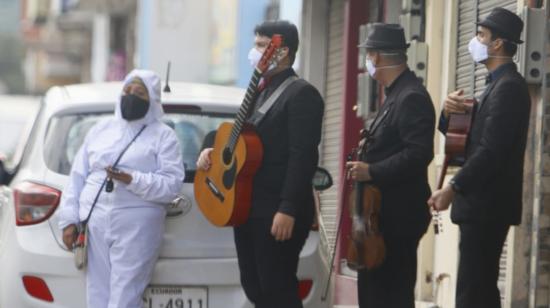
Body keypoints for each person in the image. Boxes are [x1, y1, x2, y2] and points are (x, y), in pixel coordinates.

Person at [197, 20, 324, 308]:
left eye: (262, 45)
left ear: (282, 52)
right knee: (254, 286)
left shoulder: (301, 94)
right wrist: (209, 148)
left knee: (277, 286)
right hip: (247, 205)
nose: (255, 51)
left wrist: (288, 208)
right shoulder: (259, 88)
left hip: (277, 209)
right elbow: (236, 131)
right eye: (255, 44)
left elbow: (303, 155)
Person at [428, 7, 530, 308]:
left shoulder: (508, 88)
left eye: (481, 35)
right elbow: (462, 139)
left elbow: (491, 151)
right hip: (480, 207)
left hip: (488, 206)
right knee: (479, 290)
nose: (475, 41)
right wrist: (447, 112)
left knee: (474, 293)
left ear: (497, 43)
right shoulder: (493, 87)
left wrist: (452, 187)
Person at [58, 69, 185, 308]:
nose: (131, 96)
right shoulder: (100, 130)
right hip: (95, 224)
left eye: (139, 92)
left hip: (136, 226)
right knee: (97, 294)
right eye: (127, 90)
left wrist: (132, 179)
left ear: (152, 100)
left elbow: (171, 185)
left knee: (124, 297)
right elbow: (77, 176)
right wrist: (69, 220)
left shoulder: (163, 136)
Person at [347, 23, 435, 307]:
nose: (367, 61)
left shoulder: (411, 97)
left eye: (369, 54)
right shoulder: (395, 95)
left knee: (390, 296)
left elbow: (419, 153)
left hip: (398, 219)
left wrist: (371, 170)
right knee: (374, 296)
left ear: (377, 58)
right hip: (380, 219)